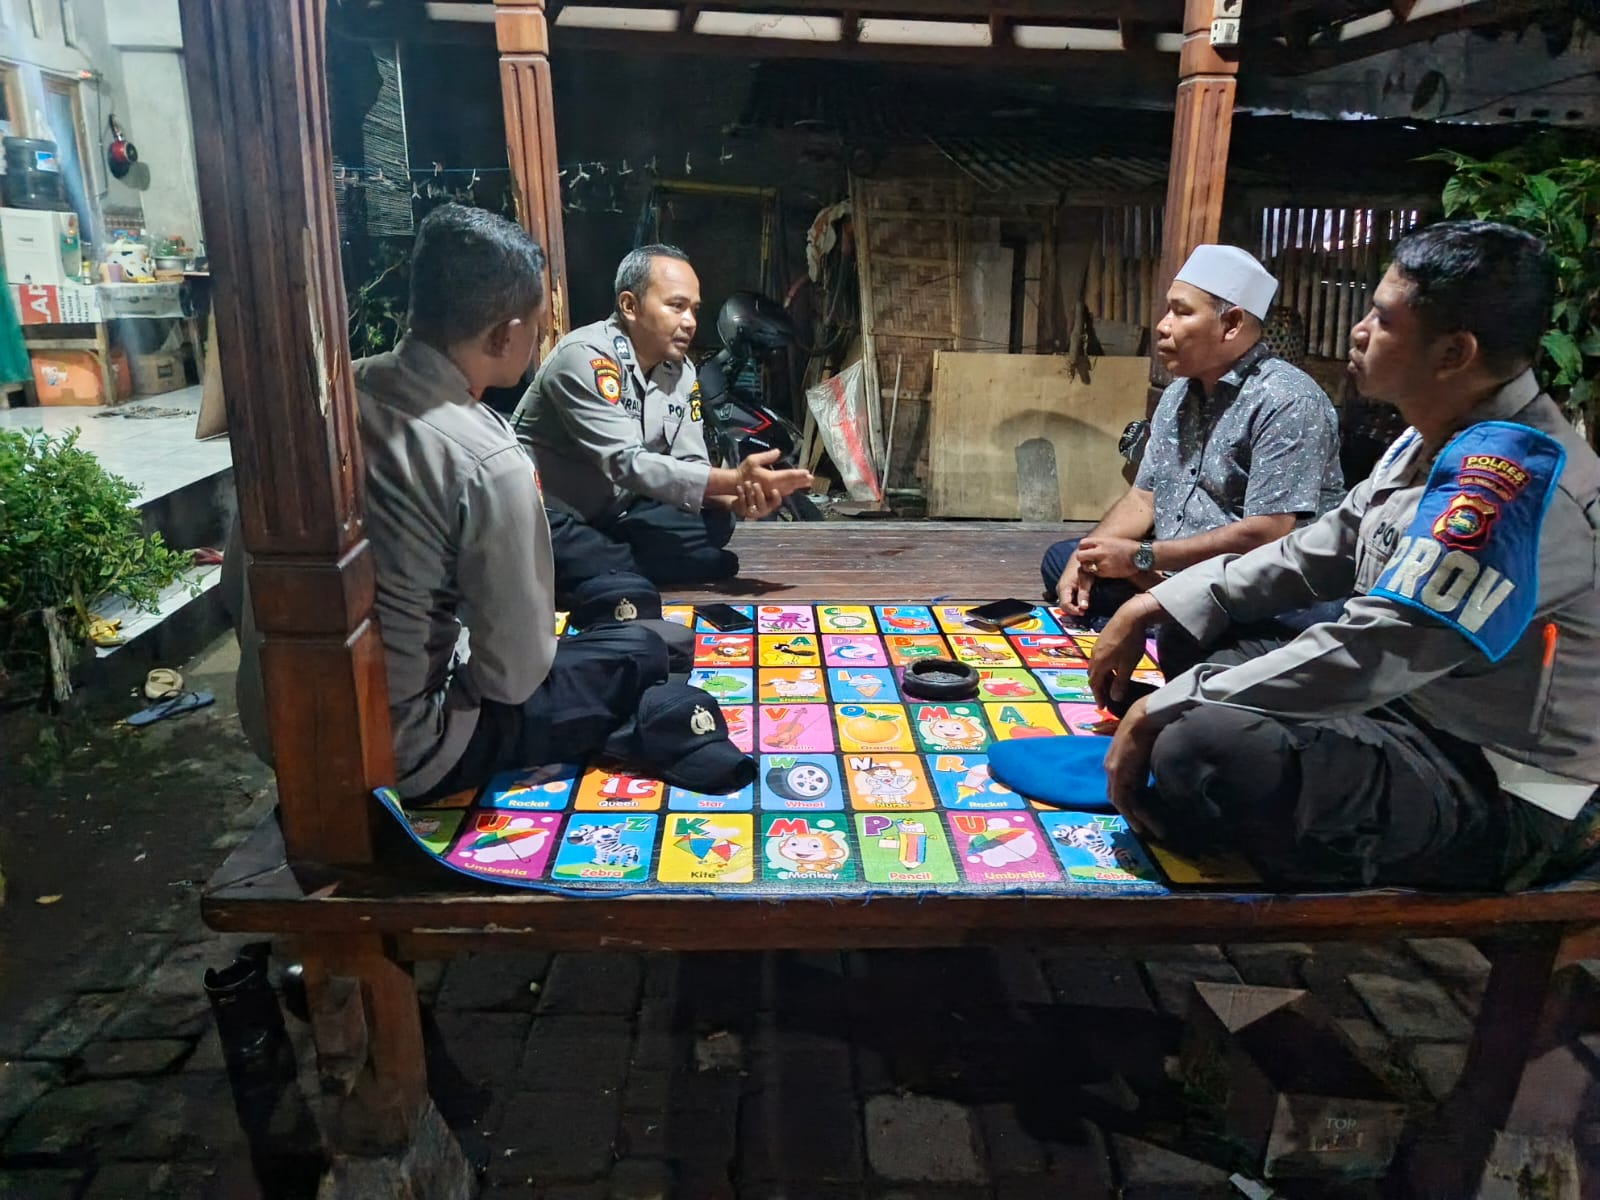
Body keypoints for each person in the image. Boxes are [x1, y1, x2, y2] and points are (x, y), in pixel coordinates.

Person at [1089, 220, 1600, 891]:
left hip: (1500, 781)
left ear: (1453, 352)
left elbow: (1376, 647)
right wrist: (1157, 600)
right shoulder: (1428, 439)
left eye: (1382, 320)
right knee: (1201, 652)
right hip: (1408, 710)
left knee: (1203, 740)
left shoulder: (1508, 484)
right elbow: (1314, 553)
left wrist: (1166, 706)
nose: (1358, 331)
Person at [225, 206, 752, 802]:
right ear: (505, 334)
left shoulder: (328, 399)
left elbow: (233, 579)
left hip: (280, 731)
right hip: (403, 751)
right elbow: (514, 675)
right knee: (643, 650)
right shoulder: (489, 453)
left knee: (652, 572)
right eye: (534, 321)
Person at [1041, 245, 1344, 667]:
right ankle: (1160, 610)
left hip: (1258, 586)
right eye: (1167, 311)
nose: (1163, 326)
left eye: (1181, 313)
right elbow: (1142, 499)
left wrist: (1140, 557)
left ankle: (1166, 620)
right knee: (1064, 560)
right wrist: (1092, 552)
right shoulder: (1179, 394)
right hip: (1175, 569)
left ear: (1232, 323)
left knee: (1197, 645)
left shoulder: (1286, 399)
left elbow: (1266, 534)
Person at [512, 244, 812, 587]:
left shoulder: (682, 373)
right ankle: (626, 566)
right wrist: (730, 478)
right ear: (629, 306)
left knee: (715, 520)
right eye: (676, 306)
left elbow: (691, 464)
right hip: (549, 516)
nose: (690, 322)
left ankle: (622, 564)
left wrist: (737, 500)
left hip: (616, 512)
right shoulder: (585, 357)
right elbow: (625, 463)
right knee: (591, 554)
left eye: (694, 310)